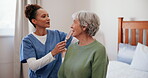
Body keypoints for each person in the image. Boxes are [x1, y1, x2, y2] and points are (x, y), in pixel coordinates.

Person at [20, 4, 73, 78]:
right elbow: (33, 66)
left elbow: (77, 42)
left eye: (48, 16)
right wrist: (53, 53)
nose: (48, 18)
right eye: (43, 16)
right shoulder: (27, 41)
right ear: (34, 21)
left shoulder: (57, 34)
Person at [58, 11, 109, 78]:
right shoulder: (71, 47)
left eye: (74, 22)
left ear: (84, 27)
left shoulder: (99, 50)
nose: (71, 26)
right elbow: (61, 74)